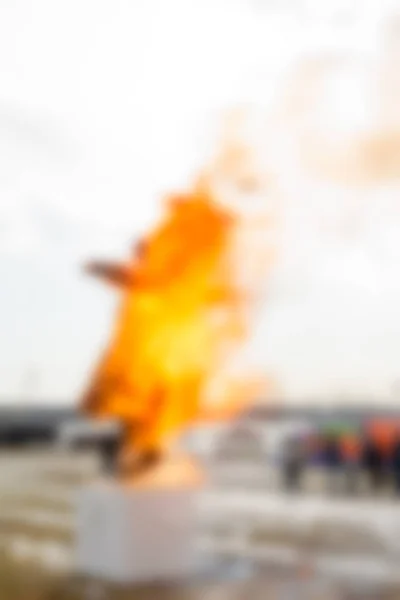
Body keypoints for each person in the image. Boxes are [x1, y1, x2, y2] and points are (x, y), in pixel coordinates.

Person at [390, 431, 400, 495]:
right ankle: (397, 491)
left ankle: (397, 491)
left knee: (397, 480)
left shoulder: (396, 447)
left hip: (397, 467)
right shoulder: (396, 447)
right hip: (397, 467)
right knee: (397, 480)